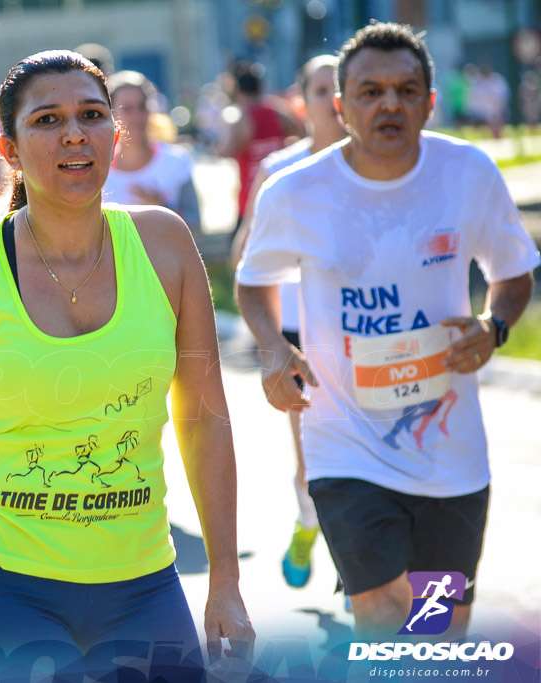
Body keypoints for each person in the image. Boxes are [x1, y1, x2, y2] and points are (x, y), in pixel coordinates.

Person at [0, 50, 253, 681]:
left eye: (90, 115)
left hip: (143, 586)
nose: (72, 134)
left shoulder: (165, 245)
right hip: (1, 586)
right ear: (8, 149)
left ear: (115, 137)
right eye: (46, 120)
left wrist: (224, 579)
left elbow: (203, 419)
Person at [236, 23, 539, 640]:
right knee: (377, 613)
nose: (390, 104)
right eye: (370, 92)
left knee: (438, 628)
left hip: (450, 453)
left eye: (407, 90)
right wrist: (273, 349)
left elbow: (512, 273)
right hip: (345, 443)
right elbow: (253, 278)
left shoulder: (468, 173)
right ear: (341, 107)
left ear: (431, 102)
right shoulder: (297, 192)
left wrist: (494, 325)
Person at [230, 54, 347, 591]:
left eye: (341, 87)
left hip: (364, 331)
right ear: (301, 104)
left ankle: (359, 571)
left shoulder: (382, 167)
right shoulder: (280, 172)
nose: (334, 99)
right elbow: (242, 257)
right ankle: (307, 524)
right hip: (299, 335)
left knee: (370, 457)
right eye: (321, 90)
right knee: (315, 459)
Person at [103, 70, 201, 237]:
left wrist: (163, 208)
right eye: (127, 109)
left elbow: (196, 227)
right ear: (111, 114)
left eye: (142, 107)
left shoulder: (177, 161)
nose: (137, 116)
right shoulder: (99, 171)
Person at [218, 61, 302, 231]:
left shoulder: (238, 115)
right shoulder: (279, 110)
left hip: (250, 199)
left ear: (239, 90)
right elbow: (304, 136)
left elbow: (227, 150)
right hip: (281, 193)